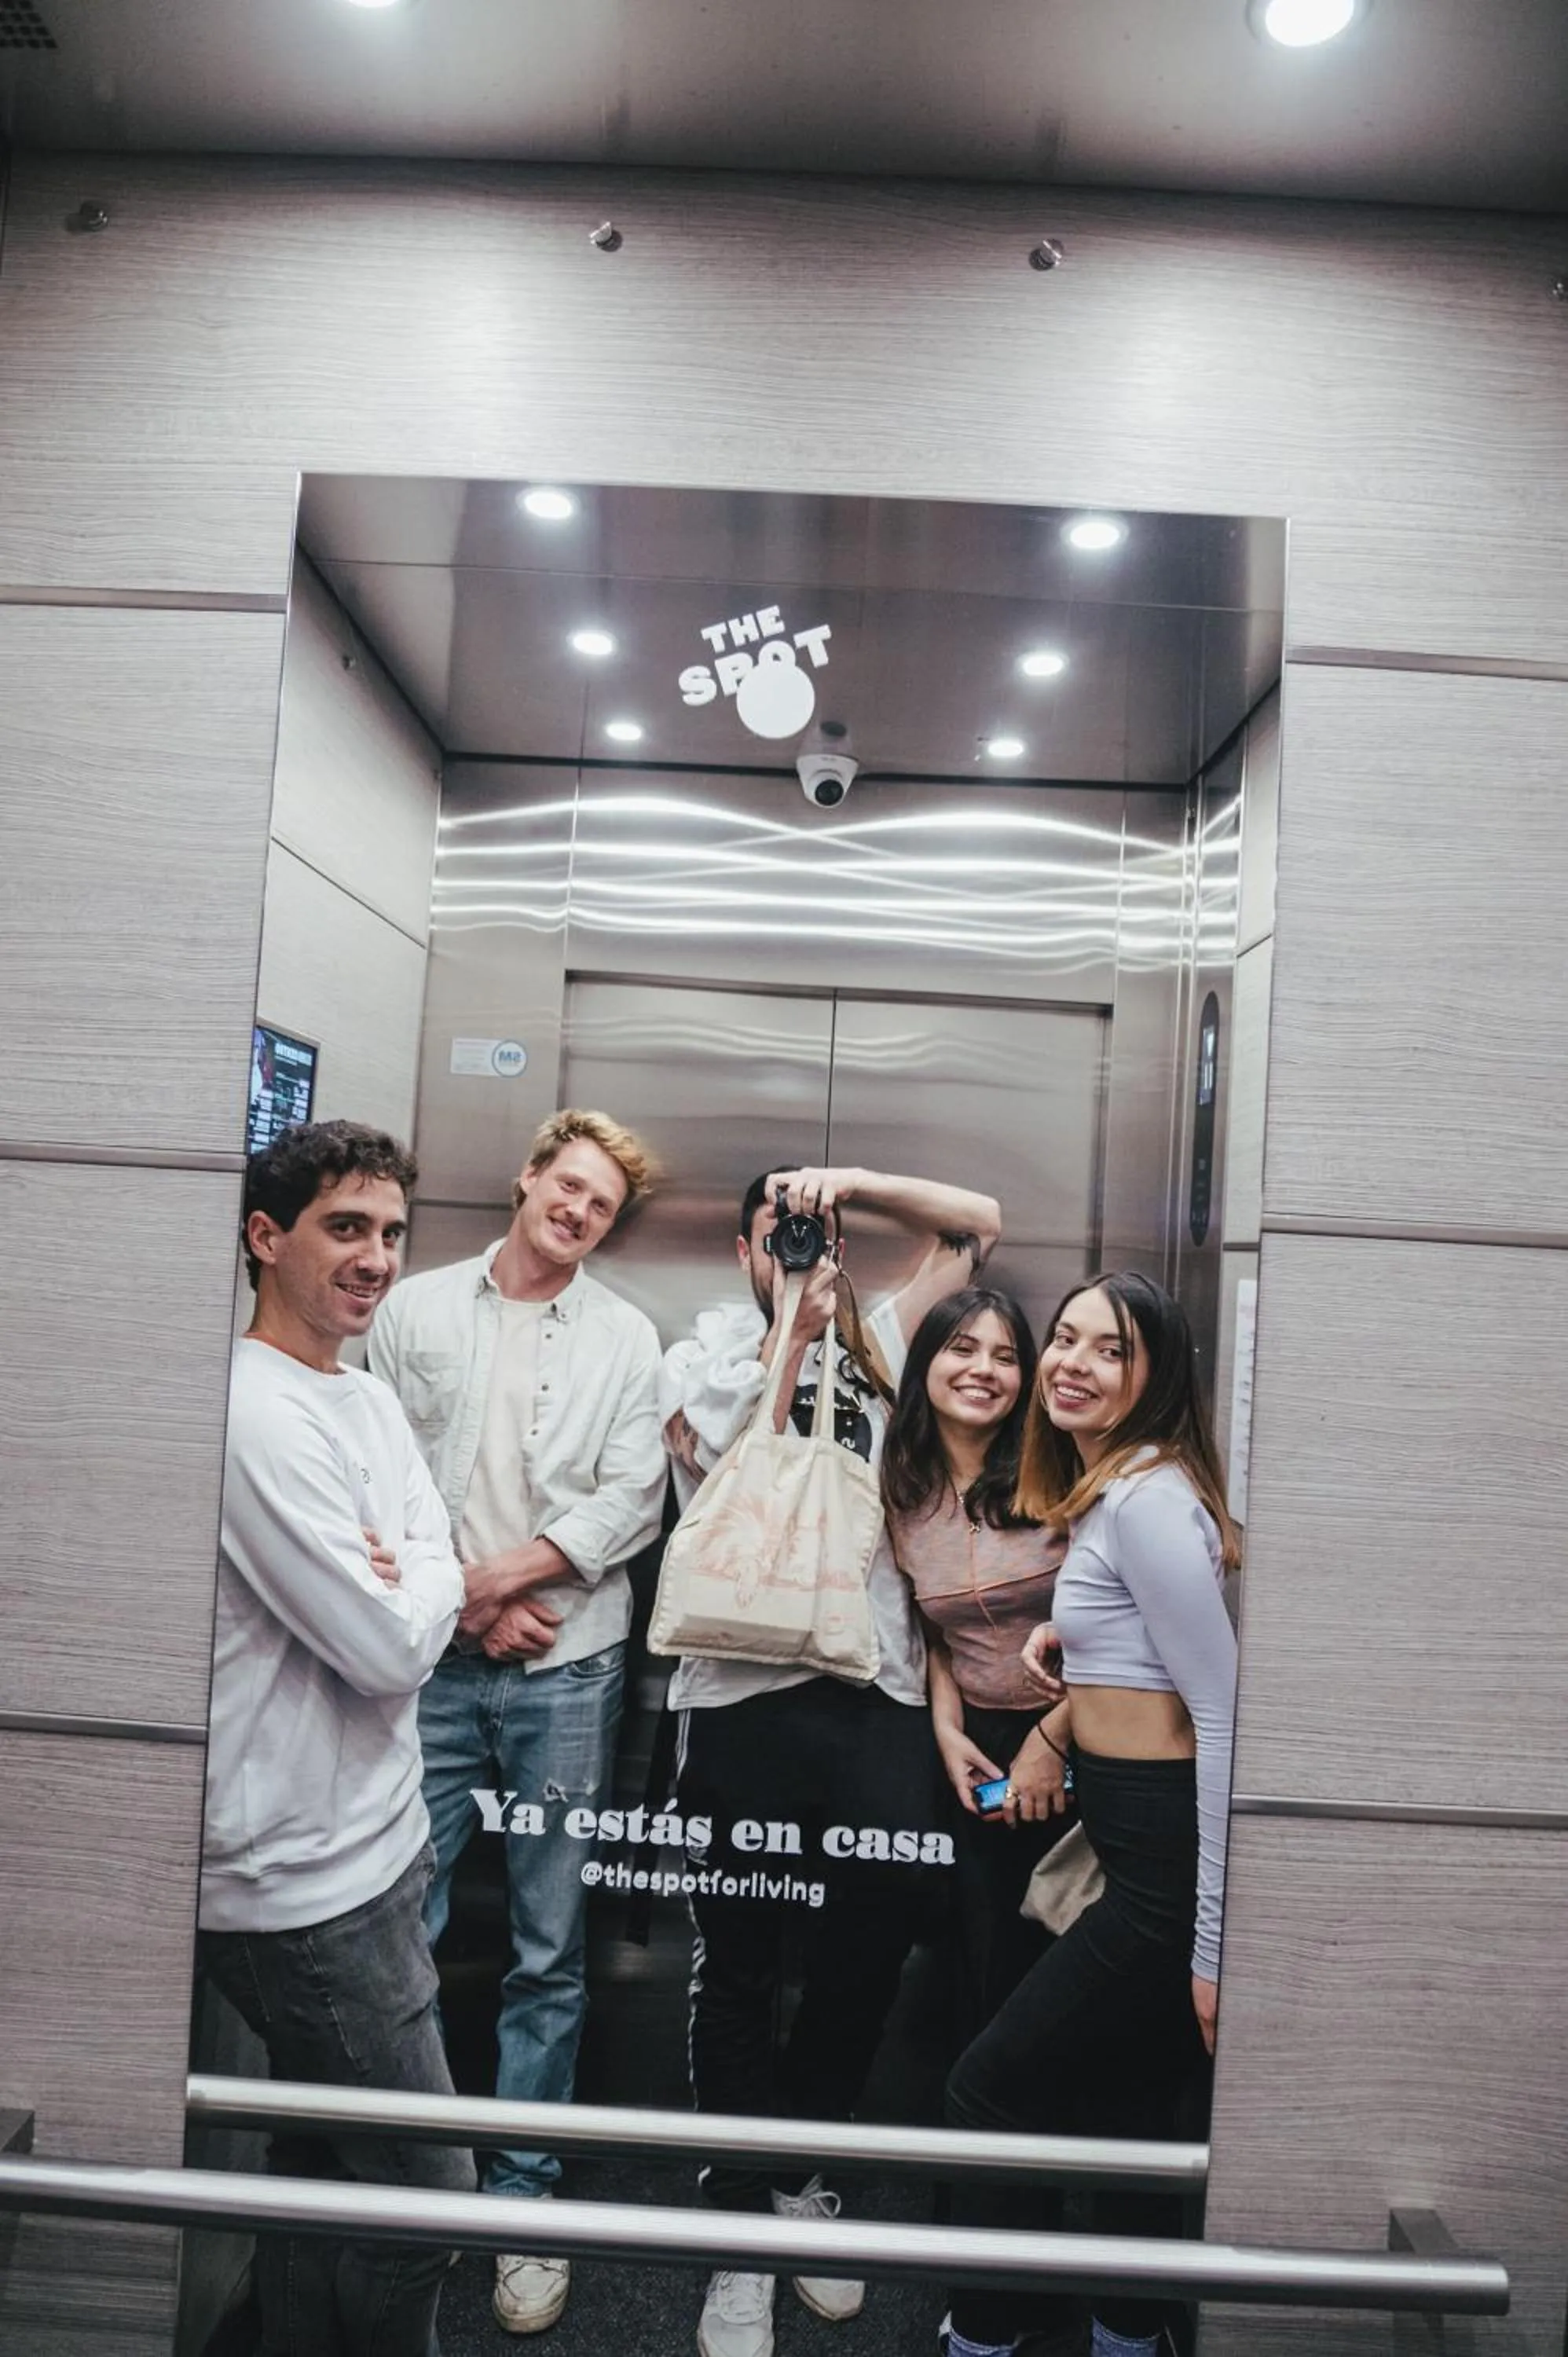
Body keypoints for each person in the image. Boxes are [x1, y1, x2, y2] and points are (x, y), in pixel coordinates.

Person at [661, 1163, 1002, 2357]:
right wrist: (788, 1330)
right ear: (744, 1248)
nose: (807, 1246)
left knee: (862, 1959)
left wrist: (849, 1187)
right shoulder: (703, 1350)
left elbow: (977, 1225)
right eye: (784, 1230)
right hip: (739, 1696)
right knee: (740, 1960)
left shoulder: (892, 1339)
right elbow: (711, 1456)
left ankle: (796, 2176)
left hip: (879, 1699)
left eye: (822, 1233)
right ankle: (740, 2229)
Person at [368, 1107, 665, 2337]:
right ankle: (414, 2186)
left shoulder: (629, 1336)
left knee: (550, 1942)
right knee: (407, 1928)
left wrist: (493, 1587)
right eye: (570, 1186)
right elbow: (370, 1471)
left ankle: (524, 2199)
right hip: (429, 1665)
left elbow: (632, 1498)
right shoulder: (414, 1309)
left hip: (570, 1667)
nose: (580, 1212)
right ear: (530, 1176)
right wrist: (468, 1605)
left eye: (603, 1205)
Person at [197, 1119, 476, 2357]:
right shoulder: (253, 1412)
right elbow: (388, 1647)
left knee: (328, 2172)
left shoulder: (355, 1394)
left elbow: (434, 1558)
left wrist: (418, 1572)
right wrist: (424, 1580)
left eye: (391, 1234)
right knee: (426, 2201)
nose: (374, 1259)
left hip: (380, 1840)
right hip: (302, 1887)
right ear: (267, 1237)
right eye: (345, 1229)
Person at [941, 1270, 1240, 2357]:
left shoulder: (1148, 1499)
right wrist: (1080, 1649)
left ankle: (984, 2334)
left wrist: (1207, 1945)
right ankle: (1127, 2337)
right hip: (1132, 1841)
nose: (1071, 1362)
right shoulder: (1121, 1491)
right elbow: (1153, 1660)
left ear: (1154, 1372)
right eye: (1063, 1339)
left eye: (1107, 1349)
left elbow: (1220, 1707)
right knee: (1122, 2115)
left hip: (1159, 1877)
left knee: (983, 2089)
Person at [881, 1287, 1069, 2041]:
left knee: (1055, 1956)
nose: (984, 1370)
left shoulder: (1059, 1476)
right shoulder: (902, 1492)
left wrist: (1051, 1743)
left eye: (1005, 1356)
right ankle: (979, 2146)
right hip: (976, 1746)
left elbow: (1126, 1629)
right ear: (926, 1362)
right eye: (962, 1349)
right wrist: (949, 1732)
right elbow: (936, 1636)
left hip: (1077, 1740)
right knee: (979, 1957)